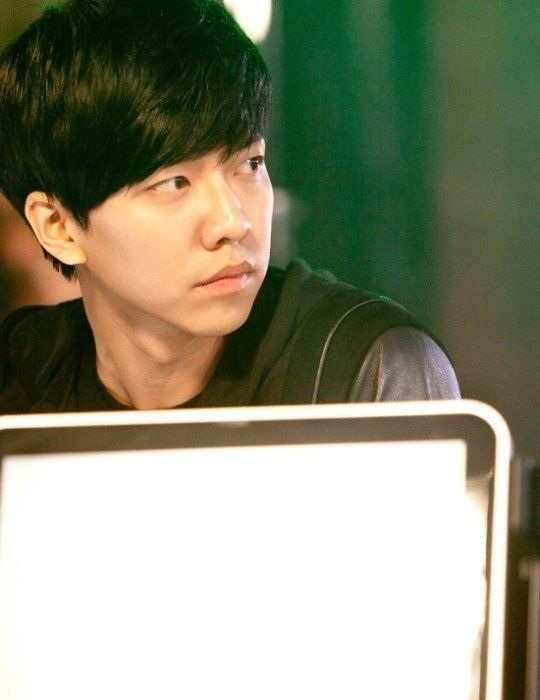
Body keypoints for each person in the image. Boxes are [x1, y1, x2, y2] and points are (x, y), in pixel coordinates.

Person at [0, 0, 460, 414]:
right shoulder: (19, 380)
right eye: (174, 183)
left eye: (249, 164)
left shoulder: (368, 369)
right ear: (58, 226)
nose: (232, 222)